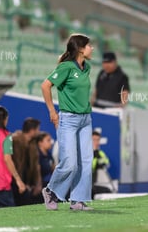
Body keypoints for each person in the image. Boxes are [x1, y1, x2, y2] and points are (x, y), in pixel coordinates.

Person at [41, 34, 94, 211]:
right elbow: (45, 85)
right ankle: (51, 191)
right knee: (70, 162)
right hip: (69, 119)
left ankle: (78, 199)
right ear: (80, 49)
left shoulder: (87, 67)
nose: (92, 48)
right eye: (89, 45)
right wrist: (52, 112)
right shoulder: (66, 68)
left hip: (86, 119)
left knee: (86, 161)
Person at [11, 118, 42, 206]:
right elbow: (15, 164)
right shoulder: (15, 141)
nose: (39, 132)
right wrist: (20, 182)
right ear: (32, 130)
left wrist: (37, 183)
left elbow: (36, 165)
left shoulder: (32, 144)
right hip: (15, 182)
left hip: (28, 182)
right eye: (38, 129)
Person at [91, 131, 112, 199]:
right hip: (85, 183)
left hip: (95, 182)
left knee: (108, 190)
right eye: (94, 140)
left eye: (98, 140)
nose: (96, 142)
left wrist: (99, 160)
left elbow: (107, 163)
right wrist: (94, 156)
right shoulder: (84, 152)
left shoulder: (100, 153)